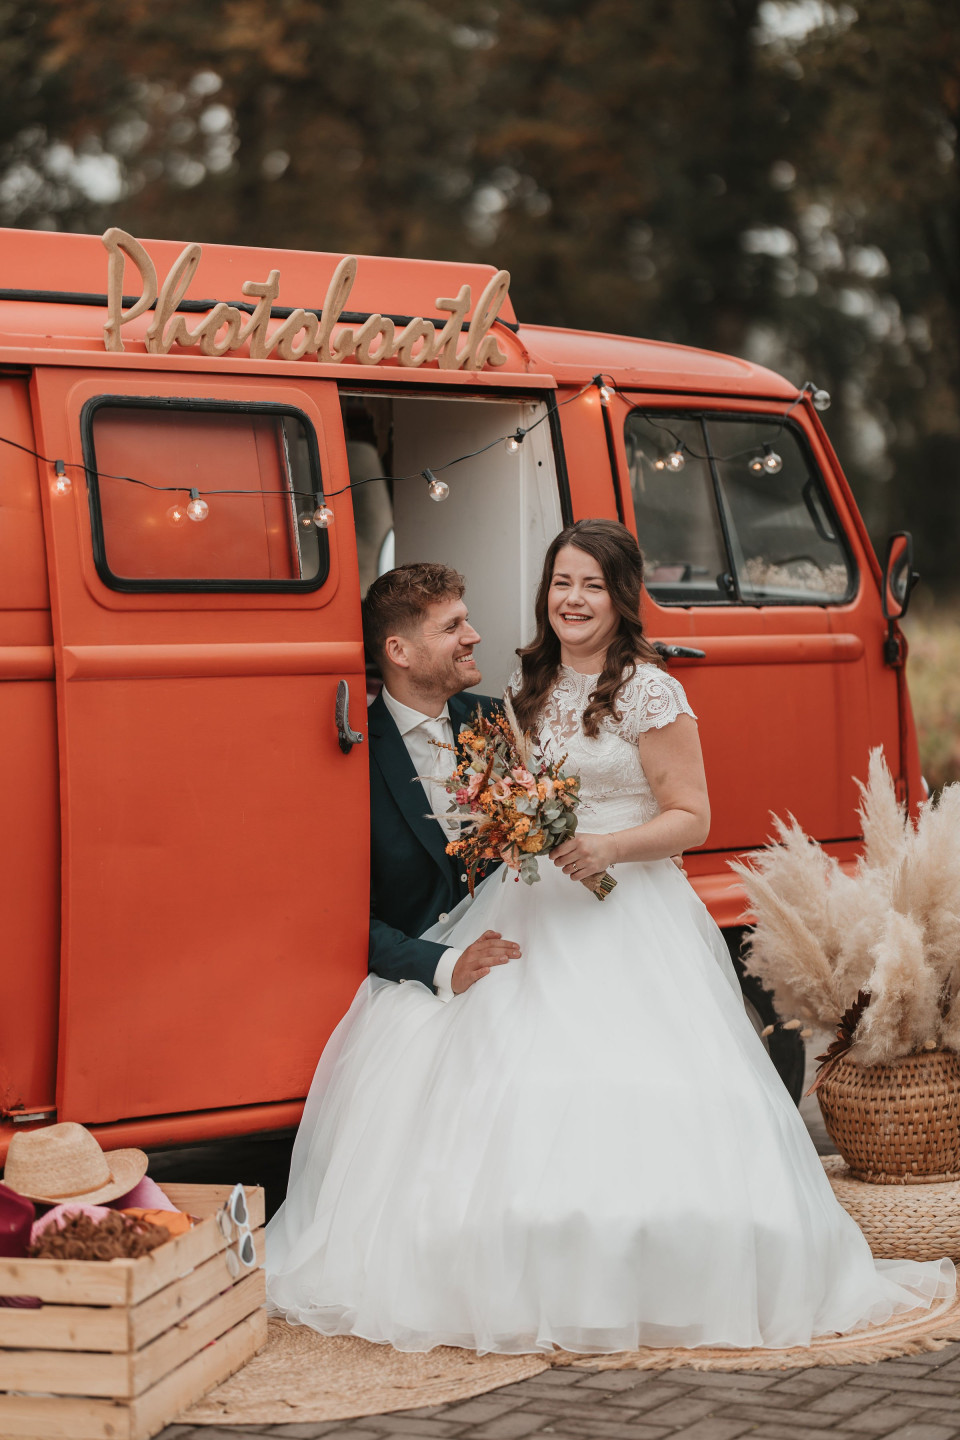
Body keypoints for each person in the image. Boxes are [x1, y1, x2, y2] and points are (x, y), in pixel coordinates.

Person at [266, 520, 954, 1355]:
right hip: (532, 909)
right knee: (506, 1072)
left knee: (644, 1080)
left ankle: (662, 1262)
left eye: (591, 584)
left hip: (630, 908)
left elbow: (693, 816)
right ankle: (515, 1255)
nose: (573, 599)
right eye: (561, 582)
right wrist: (525, 831)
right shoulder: (526, 687)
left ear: (621, 597)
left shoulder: (652, 692)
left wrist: (609, 847)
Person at [363, 562, 519, 1000]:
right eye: (453, 626)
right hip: (419, 984)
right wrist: (443, 965)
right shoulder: (353, 756)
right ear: (399, 651)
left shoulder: (499, 723)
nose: (474, 636)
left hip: (522, 959)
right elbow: (339, 919)